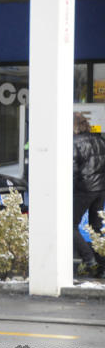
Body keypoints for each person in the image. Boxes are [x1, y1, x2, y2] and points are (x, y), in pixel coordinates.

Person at [73, 112, 105, 277]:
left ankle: (89, 259)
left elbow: (73, 171)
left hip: (83, 190)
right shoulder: (100, 141)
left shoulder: (74, 143)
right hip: (100, 190)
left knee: (69, 225)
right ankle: (101, 265)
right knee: (96, 228)